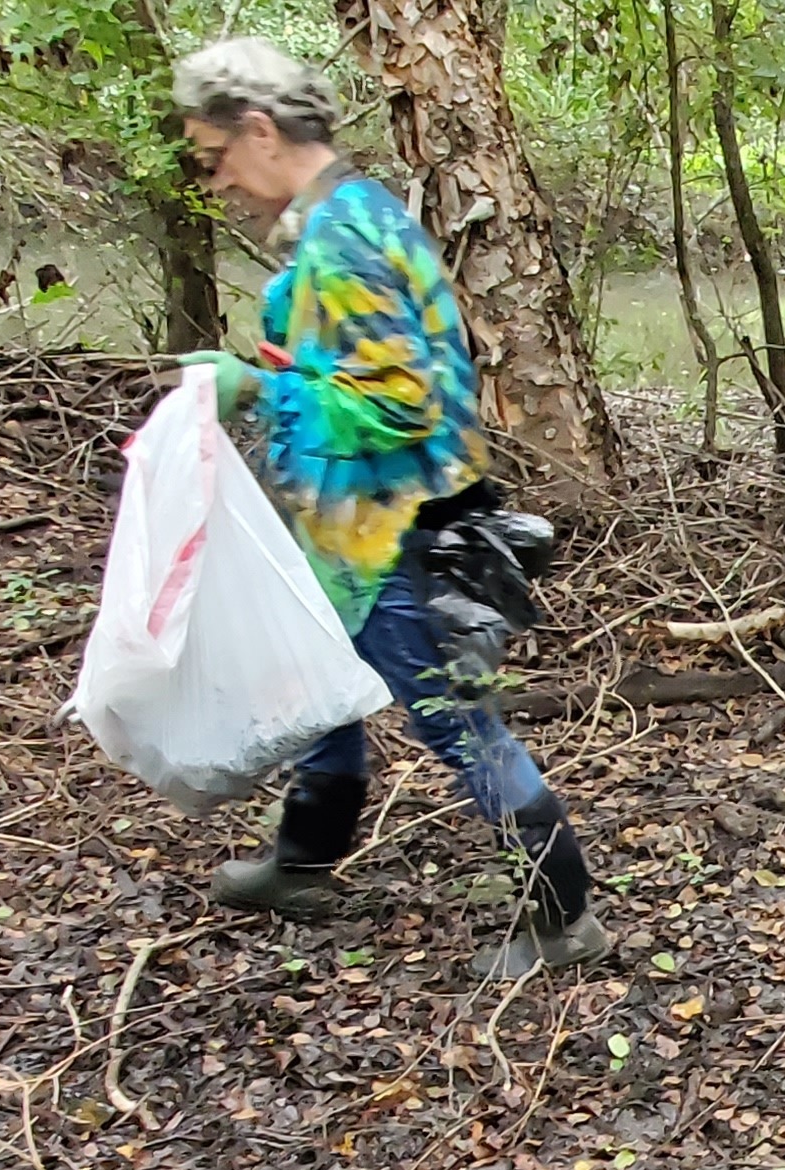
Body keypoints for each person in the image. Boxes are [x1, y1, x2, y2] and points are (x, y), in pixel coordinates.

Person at [168, 39, 608, 978]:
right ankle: (303, 864)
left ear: (258, 129)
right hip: (344, 531)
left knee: (458, 724)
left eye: (216, 155)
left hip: (392, 534)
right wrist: (296, 375)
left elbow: (402, 404)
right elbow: (361, 373)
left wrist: (257, 389)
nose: (219, 179)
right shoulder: (344, 218)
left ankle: (563, 915)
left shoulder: (347, 236)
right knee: (321, 687)